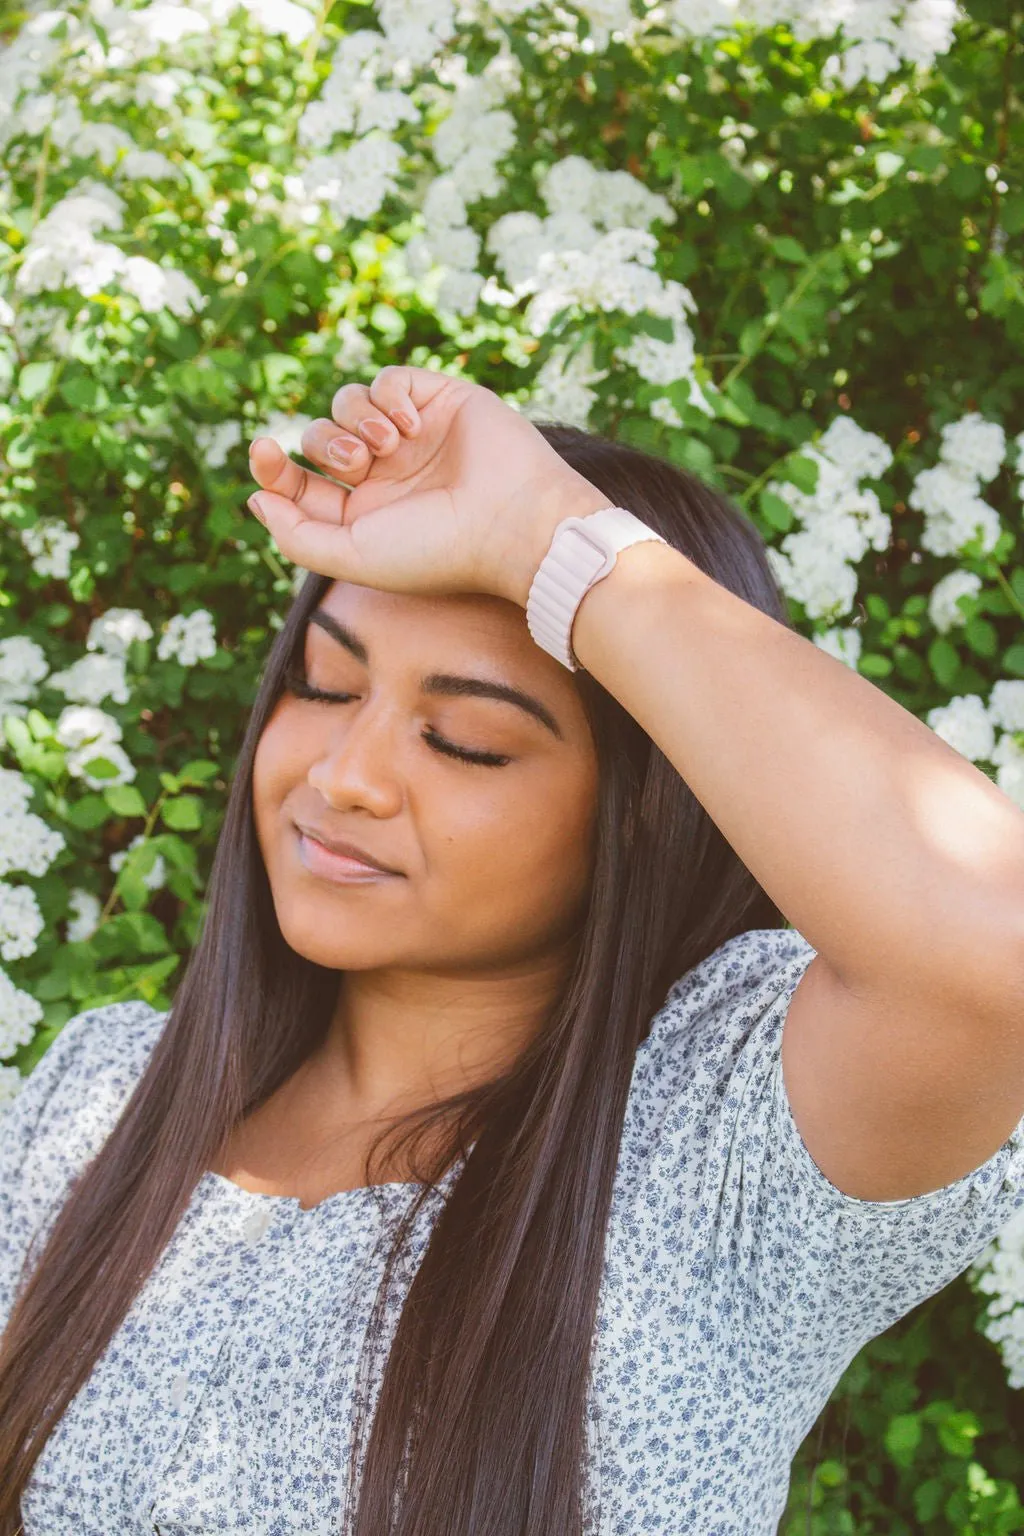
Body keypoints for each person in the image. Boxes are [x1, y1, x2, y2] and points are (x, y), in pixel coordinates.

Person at [1, 365, 1023, 1536]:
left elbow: (993, 945)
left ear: (642, 812)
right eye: (324, 686)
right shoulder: (102, 1101)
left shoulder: (719, 1152)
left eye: (467, 742)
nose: (344, 779)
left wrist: (551, 545)